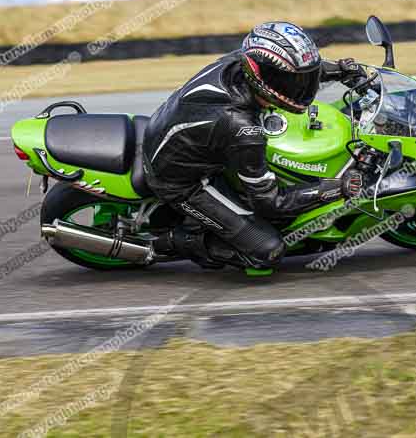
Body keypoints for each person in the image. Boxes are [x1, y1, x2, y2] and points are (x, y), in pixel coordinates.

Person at [141, 21, 367, 271]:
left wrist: (338, 69)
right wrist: (334, 189)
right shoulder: (242, 128)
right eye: (296, 82)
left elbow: (289, 71)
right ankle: (176, 242)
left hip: (179, 133)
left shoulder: (244, 59)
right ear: (260, 77)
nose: (302, 88)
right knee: (267, 251)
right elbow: (271, 203)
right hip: (183, 182)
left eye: (305, 79)